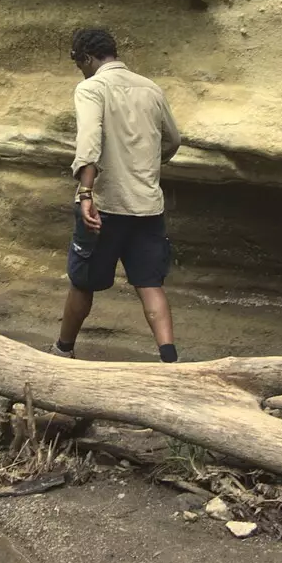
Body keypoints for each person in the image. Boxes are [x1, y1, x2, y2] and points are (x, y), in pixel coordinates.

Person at [51, 27, 182, 363]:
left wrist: (86, 193)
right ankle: (170, 362)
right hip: (148, 206)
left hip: (107, 206)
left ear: (88, 57)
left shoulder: (91, 88)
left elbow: (90, 141)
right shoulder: (150, 89)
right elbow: (172, 140)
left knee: (83, 281)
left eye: (79, 63)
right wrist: (147, 165)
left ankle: (63, 350)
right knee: (150, 283)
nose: (80, 69)